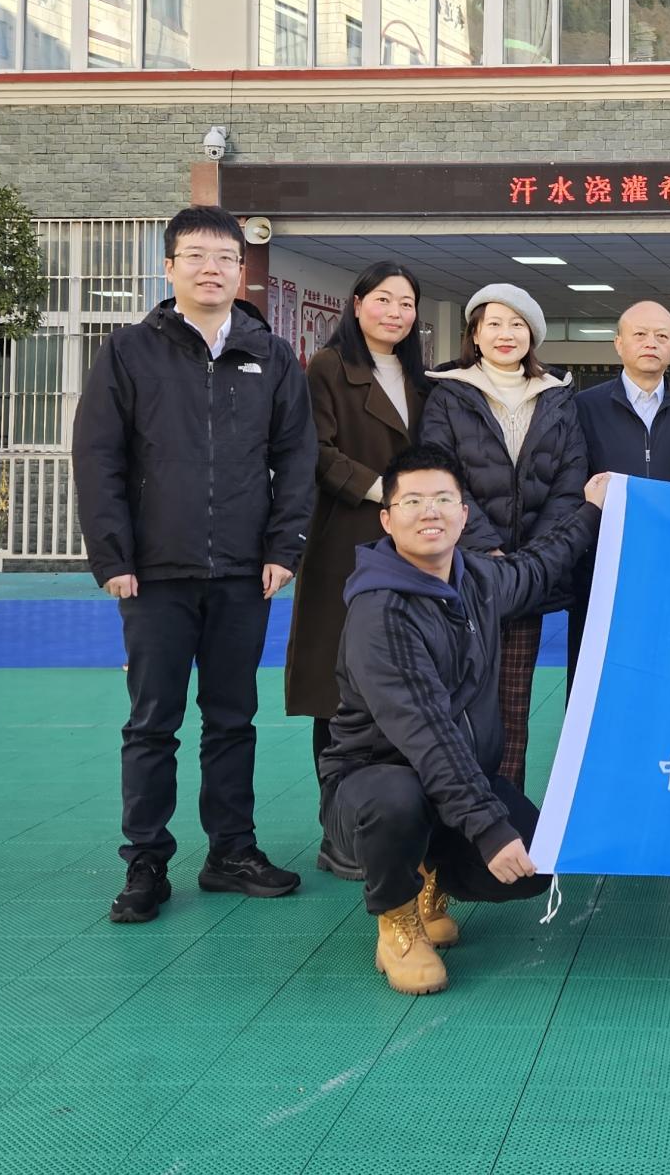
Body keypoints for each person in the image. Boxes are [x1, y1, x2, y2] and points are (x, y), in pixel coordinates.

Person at [71, 206, 317, 924]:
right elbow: (98, 457)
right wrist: (113, 554)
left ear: (241, 269)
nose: (212, 268)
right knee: (153, 722)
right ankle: (146, 861)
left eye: (225, 257)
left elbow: (295, 458)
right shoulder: (129, 351)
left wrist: (284, 547)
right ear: (169, 266)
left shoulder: (271, 355)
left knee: (233, 718)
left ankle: (230, 851)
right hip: (154, 573)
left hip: (245, 573)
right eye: (197, 255)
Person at [319, 445, 612, 994]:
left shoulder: (477, 578)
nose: (428, 512)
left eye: (441, 499)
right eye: (411, 501)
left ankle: (431, 877)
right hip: (372, 789)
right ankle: (397, 918)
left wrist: (592, 509)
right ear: (387, 519)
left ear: (463, 513)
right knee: (397, 800)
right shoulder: (380, 613)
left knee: (538, 861)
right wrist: (488, 827)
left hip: (454, 783)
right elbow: (428, 735)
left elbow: (539, 565)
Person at [283, 262, 429, 880]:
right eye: (384, 300)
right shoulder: (327, 368)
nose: (396, 312)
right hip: (347, 544)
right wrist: (386, 493)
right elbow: (314, 451)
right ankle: (338, 832)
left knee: (406, 687)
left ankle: (400, 827)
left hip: (416, 549)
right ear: (358, 303)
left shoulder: (424, 379)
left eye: (407, 303)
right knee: (339, 694)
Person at [417, 283, 588, 789]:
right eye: (493, 323)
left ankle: (506, 811)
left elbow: (570, 481)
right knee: (459, 700)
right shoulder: (448, 395)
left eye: (517, 324)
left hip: (529, 582)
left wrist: (532, 562)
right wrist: (486, 550)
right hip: (464, 575)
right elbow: (442, 475)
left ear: (532, 336)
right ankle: (457, 814)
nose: (505, 334)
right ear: (474, 333)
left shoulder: (557, 397)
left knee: (514, 706)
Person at [566, 301, 670, 692]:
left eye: (661, 336)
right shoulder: (582, 408)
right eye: (640, 334)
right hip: (600, 565)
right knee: (595, 674)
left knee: (663, 669)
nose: (650, 343)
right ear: (618, 343)